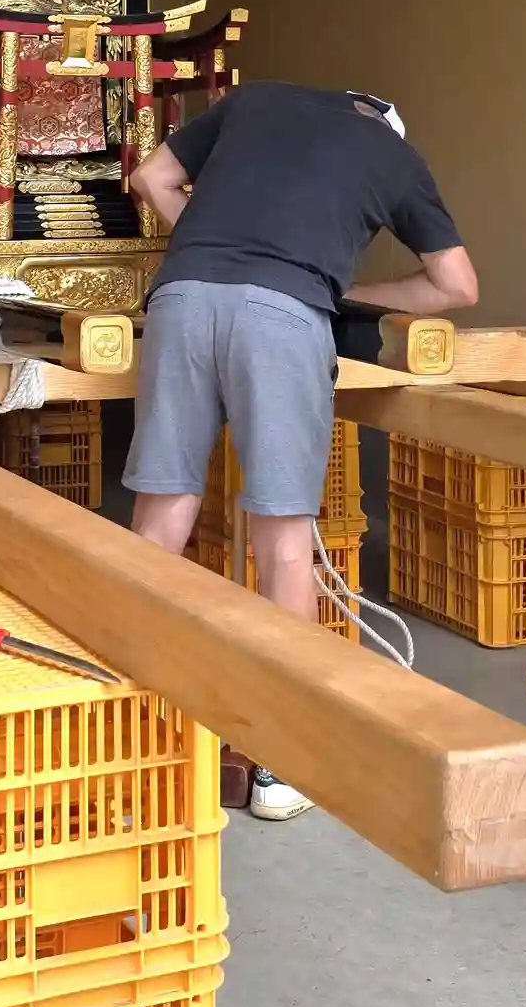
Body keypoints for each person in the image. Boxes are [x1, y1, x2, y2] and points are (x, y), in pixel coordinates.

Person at [123, 82, 478, 822]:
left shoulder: (254, 103)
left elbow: (150, 178)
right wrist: (339, 288)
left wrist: (214, 247)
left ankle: (131, 745)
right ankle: (280, 768)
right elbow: (456, 286)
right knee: (283, 542)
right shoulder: (394, 155)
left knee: (158, 522)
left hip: (180, 299)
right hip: (281, 318)